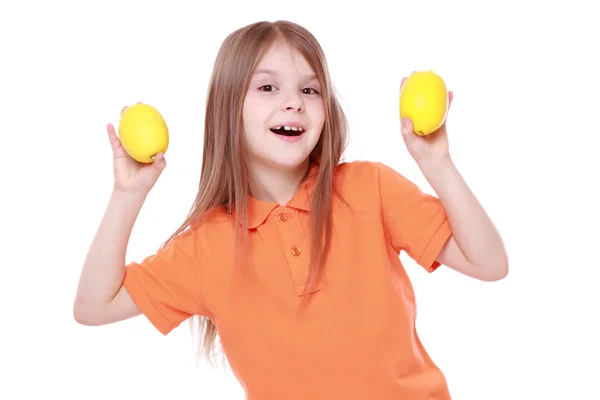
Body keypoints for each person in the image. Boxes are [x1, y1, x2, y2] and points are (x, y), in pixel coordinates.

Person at [73, 20, 508, 400]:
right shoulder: (208, 245)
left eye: (309, 89)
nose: (294, 102)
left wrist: (436, 163)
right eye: (267, 87)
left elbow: (488, 263)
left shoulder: (370, 188)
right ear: (229, 110)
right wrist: (127, 195)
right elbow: (94, 306)